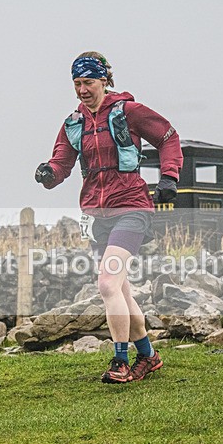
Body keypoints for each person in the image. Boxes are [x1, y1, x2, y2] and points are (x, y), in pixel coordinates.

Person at [35, 52, 183, 383]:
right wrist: (48, 173)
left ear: (104, 80)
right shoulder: (74, 123)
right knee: (121, 291)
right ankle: (149, 356)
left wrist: (169, 177)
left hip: (131, 207)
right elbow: (61, 162)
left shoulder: (129, 111)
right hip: (96, 214)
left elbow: (168, 137)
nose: (82, 90)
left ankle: (120, 361)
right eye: (77, 83)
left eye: (88, 82)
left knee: (107, 283)